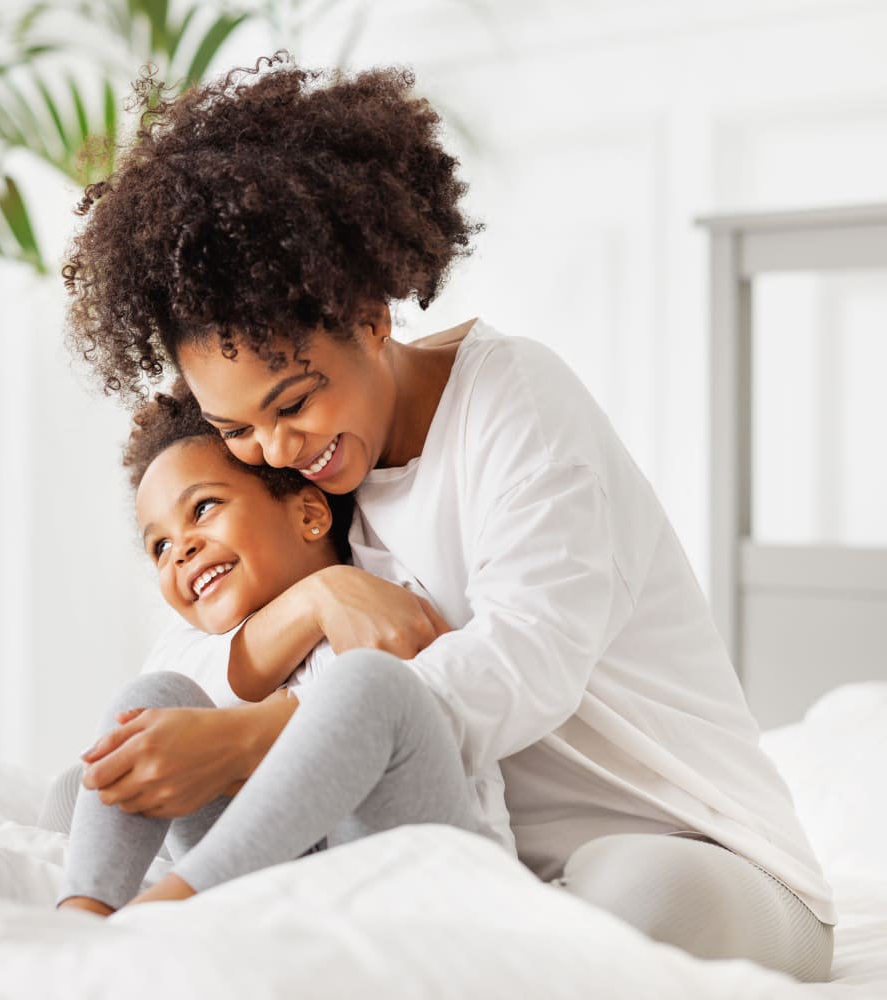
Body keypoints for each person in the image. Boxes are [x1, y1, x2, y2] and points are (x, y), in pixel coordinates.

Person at [62, 53, 836, 979]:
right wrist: (316, 603)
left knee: (625, 899)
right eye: (237, 428)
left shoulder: (515, 402)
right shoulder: (316, 471)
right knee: (112, 761)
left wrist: (256, 736)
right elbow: (185, 649)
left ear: (370, 314)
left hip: (691, 849)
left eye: (293, 402)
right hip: (472, 858)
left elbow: (526, 659)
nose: (274, 449)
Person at [54, 384, 489, 916]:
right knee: (148, 703)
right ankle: (81, 918)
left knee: (371, 685)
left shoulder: (386, 609)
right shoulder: (197, 650)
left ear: (309, 514)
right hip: (275, 905)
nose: (181, 550)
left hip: (411, 891)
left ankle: (161, 913)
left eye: (204, 508)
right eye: (159, 547)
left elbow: (432, 720)